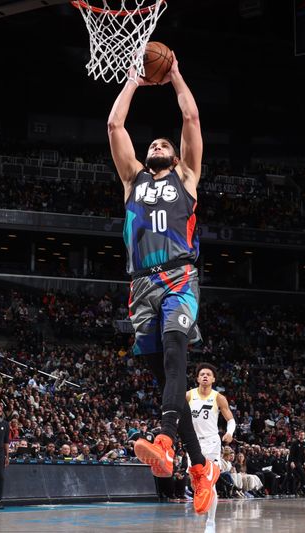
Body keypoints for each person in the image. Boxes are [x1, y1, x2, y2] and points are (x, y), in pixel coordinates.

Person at [107, 47, 218, 517]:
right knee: (166, 380)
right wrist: (133, 79)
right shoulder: (132, 178)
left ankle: (168, 443)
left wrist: (173, 75)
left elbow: (190, 115)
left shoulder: (188, 177)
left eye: (162, 144)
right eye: (152, 143)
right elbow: (115, 127)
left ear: (174, 155)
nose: (156, 144)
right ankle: (201, 468)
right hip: (141, 287)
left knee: (176, 353)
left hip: (178, 276)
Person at [187, 363, 235, 532]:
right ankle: (203, 502)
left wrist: (229, 432)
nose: (205, 376)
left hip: (212, 442)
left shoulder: (218, 397)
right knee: (196, 483)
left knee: (210, 482)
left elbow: (230, 419)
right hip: (192, 442)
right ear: (197, 378)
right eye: (202, 374)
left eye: (208, 374)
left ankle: (211, 522)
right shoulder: (188, 395)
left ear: (213, 379)